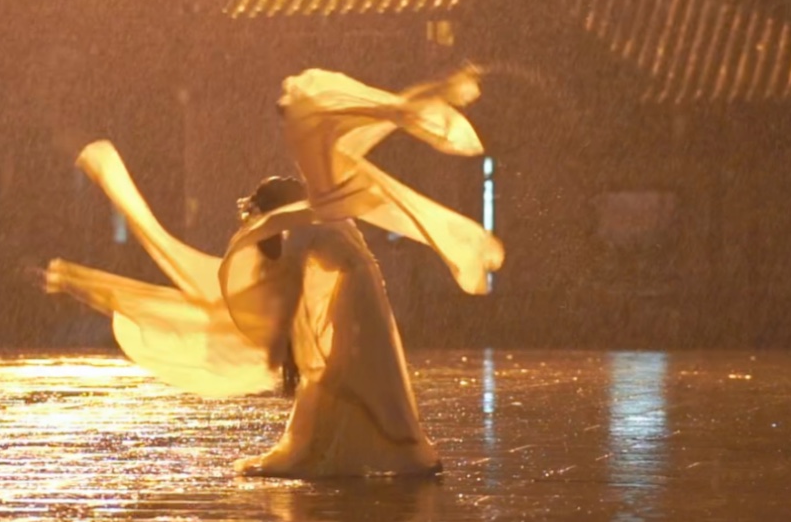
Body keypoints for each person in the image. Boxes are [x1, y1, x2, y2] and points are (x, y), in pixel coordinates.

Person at [43, 66, 504, 477]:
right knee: (353, 373)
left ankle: (385, 446)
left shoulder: (317, 208)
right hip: (360, 294)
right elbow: (291, 292)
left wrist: (428, 95)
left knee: (353, 372)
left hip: (359, 295)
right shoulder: (314, 212)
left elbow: (375, 115)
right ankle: (382, 445)